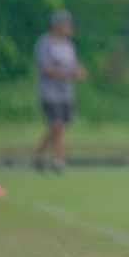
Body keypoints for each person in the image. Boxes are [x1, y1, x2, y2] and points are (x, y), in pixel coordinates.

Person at [33, 9, 86, 173]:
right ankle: (58, 160)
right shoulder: (44, 43)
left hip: (66, 92)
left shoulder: (68, 44)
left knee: (59, 126)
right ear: (56, 25)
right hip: (49, 91)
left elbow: (72, 64)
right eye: (65, 23)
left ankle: (39, 155)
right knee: (56, 124)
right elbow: (45, 68)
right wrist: (66, 73)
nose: (69, 27)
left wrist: (78, 71)